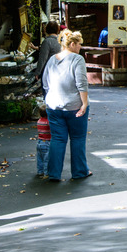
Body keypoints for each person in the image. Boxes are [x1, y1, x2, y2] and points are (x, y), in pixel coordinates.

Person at [42, 29, 92, 181]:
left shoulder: (52, 59)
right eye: (79, 44)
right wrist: (84, 104)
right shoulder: (77, 59)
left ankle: (54, 173)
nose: (80, 48)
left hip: (54, 105)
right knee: (77, 138)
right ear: (72, 44)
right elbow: (81, 83)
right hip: (74, 105)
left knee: (57, 139)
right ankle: (79, 171)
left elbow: (45, 82)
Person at [32, 21, 62, 86]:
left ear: (47, 30)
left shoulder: (47, 42)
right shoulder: (60, 41)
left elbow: (43, 58)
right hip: (59, 71)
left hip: (49, 72)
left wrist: (37, 72)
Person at [35, 105, 51, 178]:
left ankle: (40, 171)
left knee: (40, 158)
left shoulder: (39, 121)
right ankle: (46, 173)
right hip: (47, 142)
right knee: (46, 159)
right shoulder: (48, 122)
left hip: (39, 142)